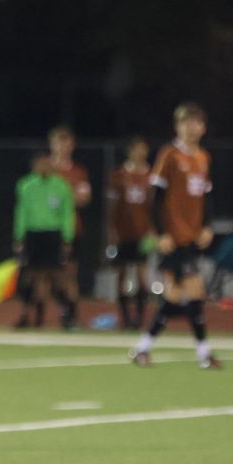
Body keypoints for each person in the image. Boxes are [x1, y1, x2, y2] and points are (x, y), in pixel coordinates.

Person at [131, 103, 222, 370]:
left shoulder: (204, 157)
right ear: (177, 126)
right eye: (184, 122)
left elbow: (206, 197)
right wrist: (161, 233)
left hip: (192, 237)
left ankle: (142, 349)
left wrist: (207, 226)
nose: (190, 127)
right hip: (173, 238)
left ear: (203, 127)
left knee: (174, 298)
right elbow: (155, 200)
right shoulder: (169, 155)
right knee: (194, 292)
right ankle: (204, 354)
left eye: (195, 122)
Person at [12, 153, 75, 328]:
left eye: (46, 164)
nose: (43, 168)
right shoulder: (25, 185)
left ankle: (66, 315)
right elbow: (21, 212)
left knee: (57, 276)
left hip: (53, 234)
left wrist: (67, 238)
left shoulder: (61, 186)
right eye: (40, 164)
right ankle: (27, 315)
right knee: (29, 276)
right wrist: (19, 237)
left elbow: (67, 214)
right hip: (33, 235)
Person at [105, 136, 155, 329]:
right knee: (122, 274)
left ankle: (139, 319)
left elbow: (154, 206)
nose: (140, 153)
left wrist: (153, 229)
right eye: (137, 149)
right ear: (130, 151)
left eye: (143, 149)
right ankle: (125, 318)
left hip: (143, 233)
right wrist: (112, 230)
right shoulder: (118, 175)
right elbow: (112, 205)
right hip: (123, 232)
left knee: (142, 273)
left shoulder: (151, 175)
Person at [47, 125, 91, 328]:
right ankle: (40, 315)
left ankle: (71, 316)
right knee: (47, 277)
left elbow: (83, 199)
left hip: (71, 230)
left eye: (67, 143)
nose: (63, 147)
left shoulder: (78, 172)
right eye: (59, 143)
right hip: (45, 230)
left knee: (69, 274)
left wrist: (61, 195)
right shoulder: (45, 169)